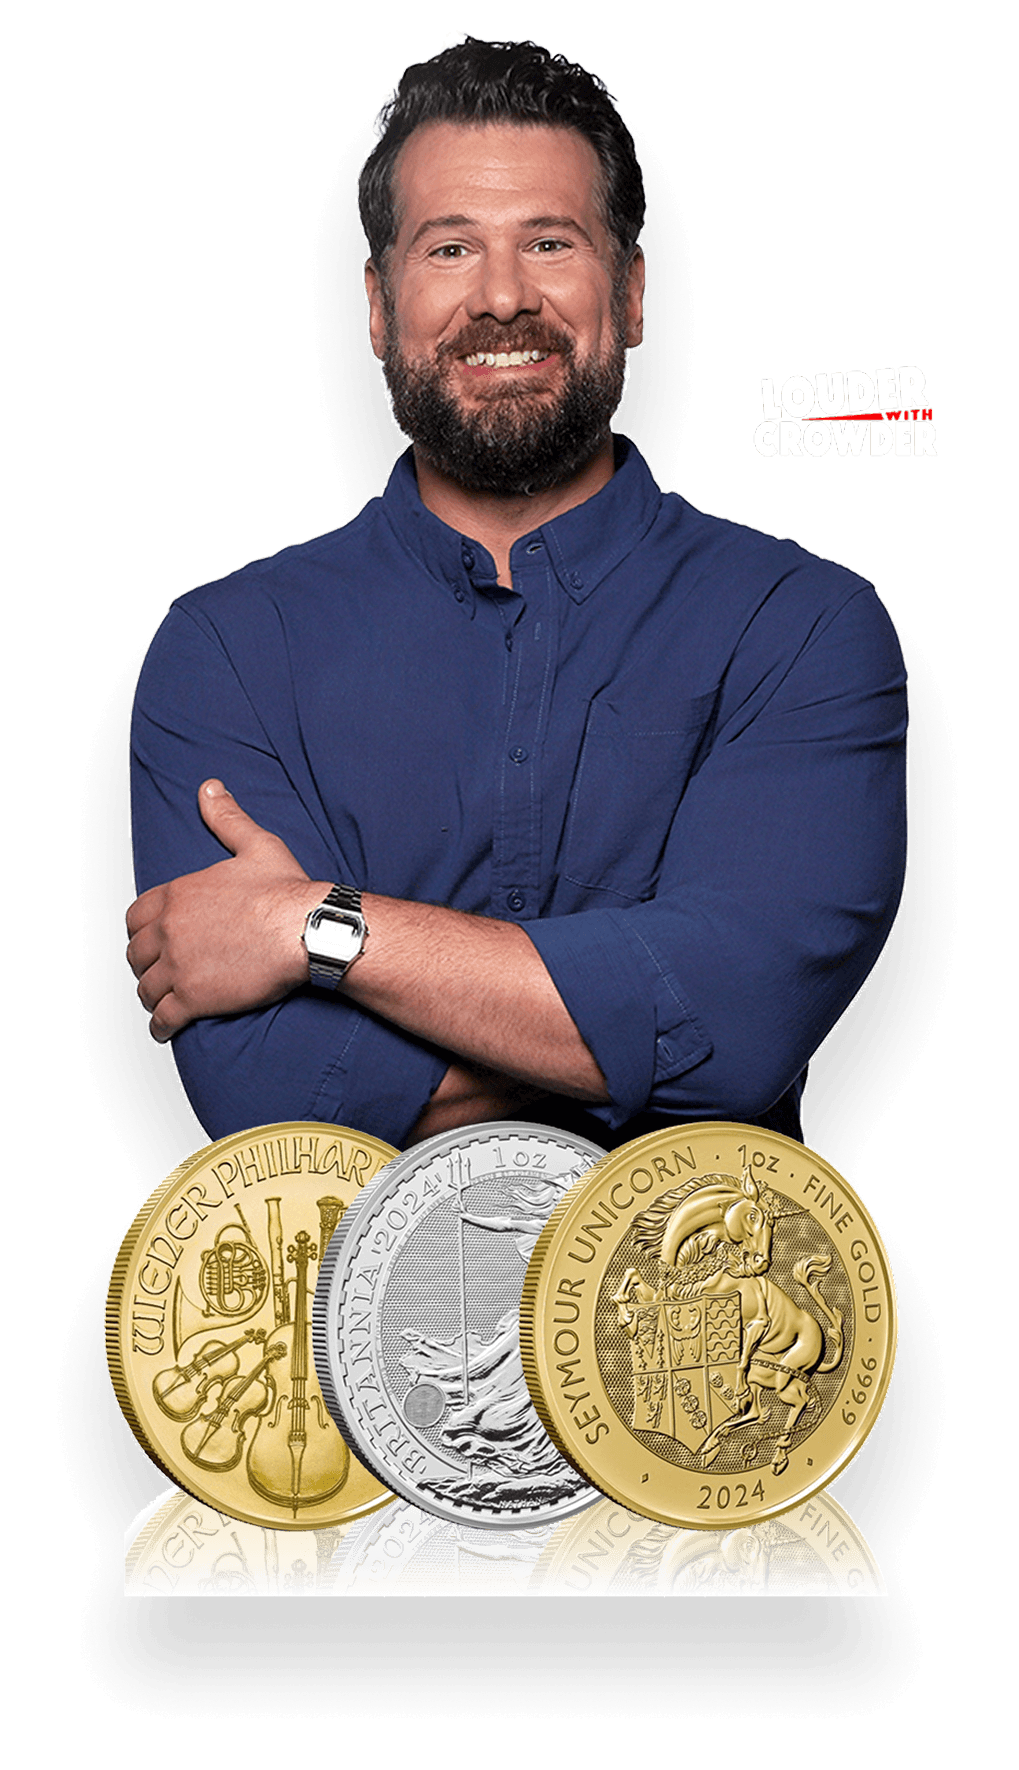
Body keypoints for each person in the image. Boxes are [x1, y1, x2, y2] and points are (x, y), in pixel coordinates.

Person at [125, 36, 908, 1154]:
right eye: (449, 249)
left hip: (701, 1321)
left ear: (629, 291)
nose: (502, 297)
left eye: (550, 241)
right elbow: (269, 1098)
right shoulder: (228, 649)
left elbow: (741, 1030)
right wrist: (623, 1027)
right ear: (377, 307)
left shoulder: (799, 625)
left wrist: (313, 928)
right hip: (330, 1325)